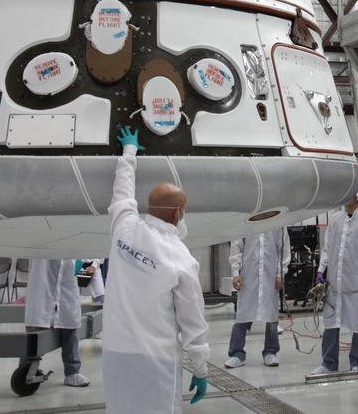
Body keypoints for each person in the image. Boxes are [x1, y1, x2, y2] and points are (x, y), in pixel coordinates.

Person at [102, 126, 210, 411]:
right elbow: (192, 322)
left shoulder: (124, 228)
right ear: (177, 213)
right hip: (155, 359)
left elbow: (122, 192)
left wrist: (129, 151)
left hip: (115, 353)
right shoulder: (181, 259)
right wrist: (200, 369)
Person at [309, 191, 358, 376]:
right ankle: (328, 363)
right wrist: (321, 269)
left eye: (350, 194)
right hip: (335, 283)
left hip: (357, 283)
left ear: (357, 197)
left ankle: (357, 362)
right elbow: (327, 248)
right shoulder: (335, 220)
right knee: (331, 322)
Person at [225, 227, 291, 368]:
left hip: (270, 275)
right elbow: (237, 246)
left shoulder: (278, 222)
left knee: (271, 314)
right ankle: (237, 354)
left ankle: (270, 351)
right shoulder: (246, 219)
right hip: (248, 275)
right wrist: (236, 272)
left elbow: (283, 248)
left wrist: (281, 272)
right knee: (242, 315)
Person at [20, 259, 90, 388]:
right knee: (34, 331)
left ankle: (72, 372)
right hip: (42, 280)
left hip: (67, 281)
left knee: (70, 327)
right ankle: (24, 372)